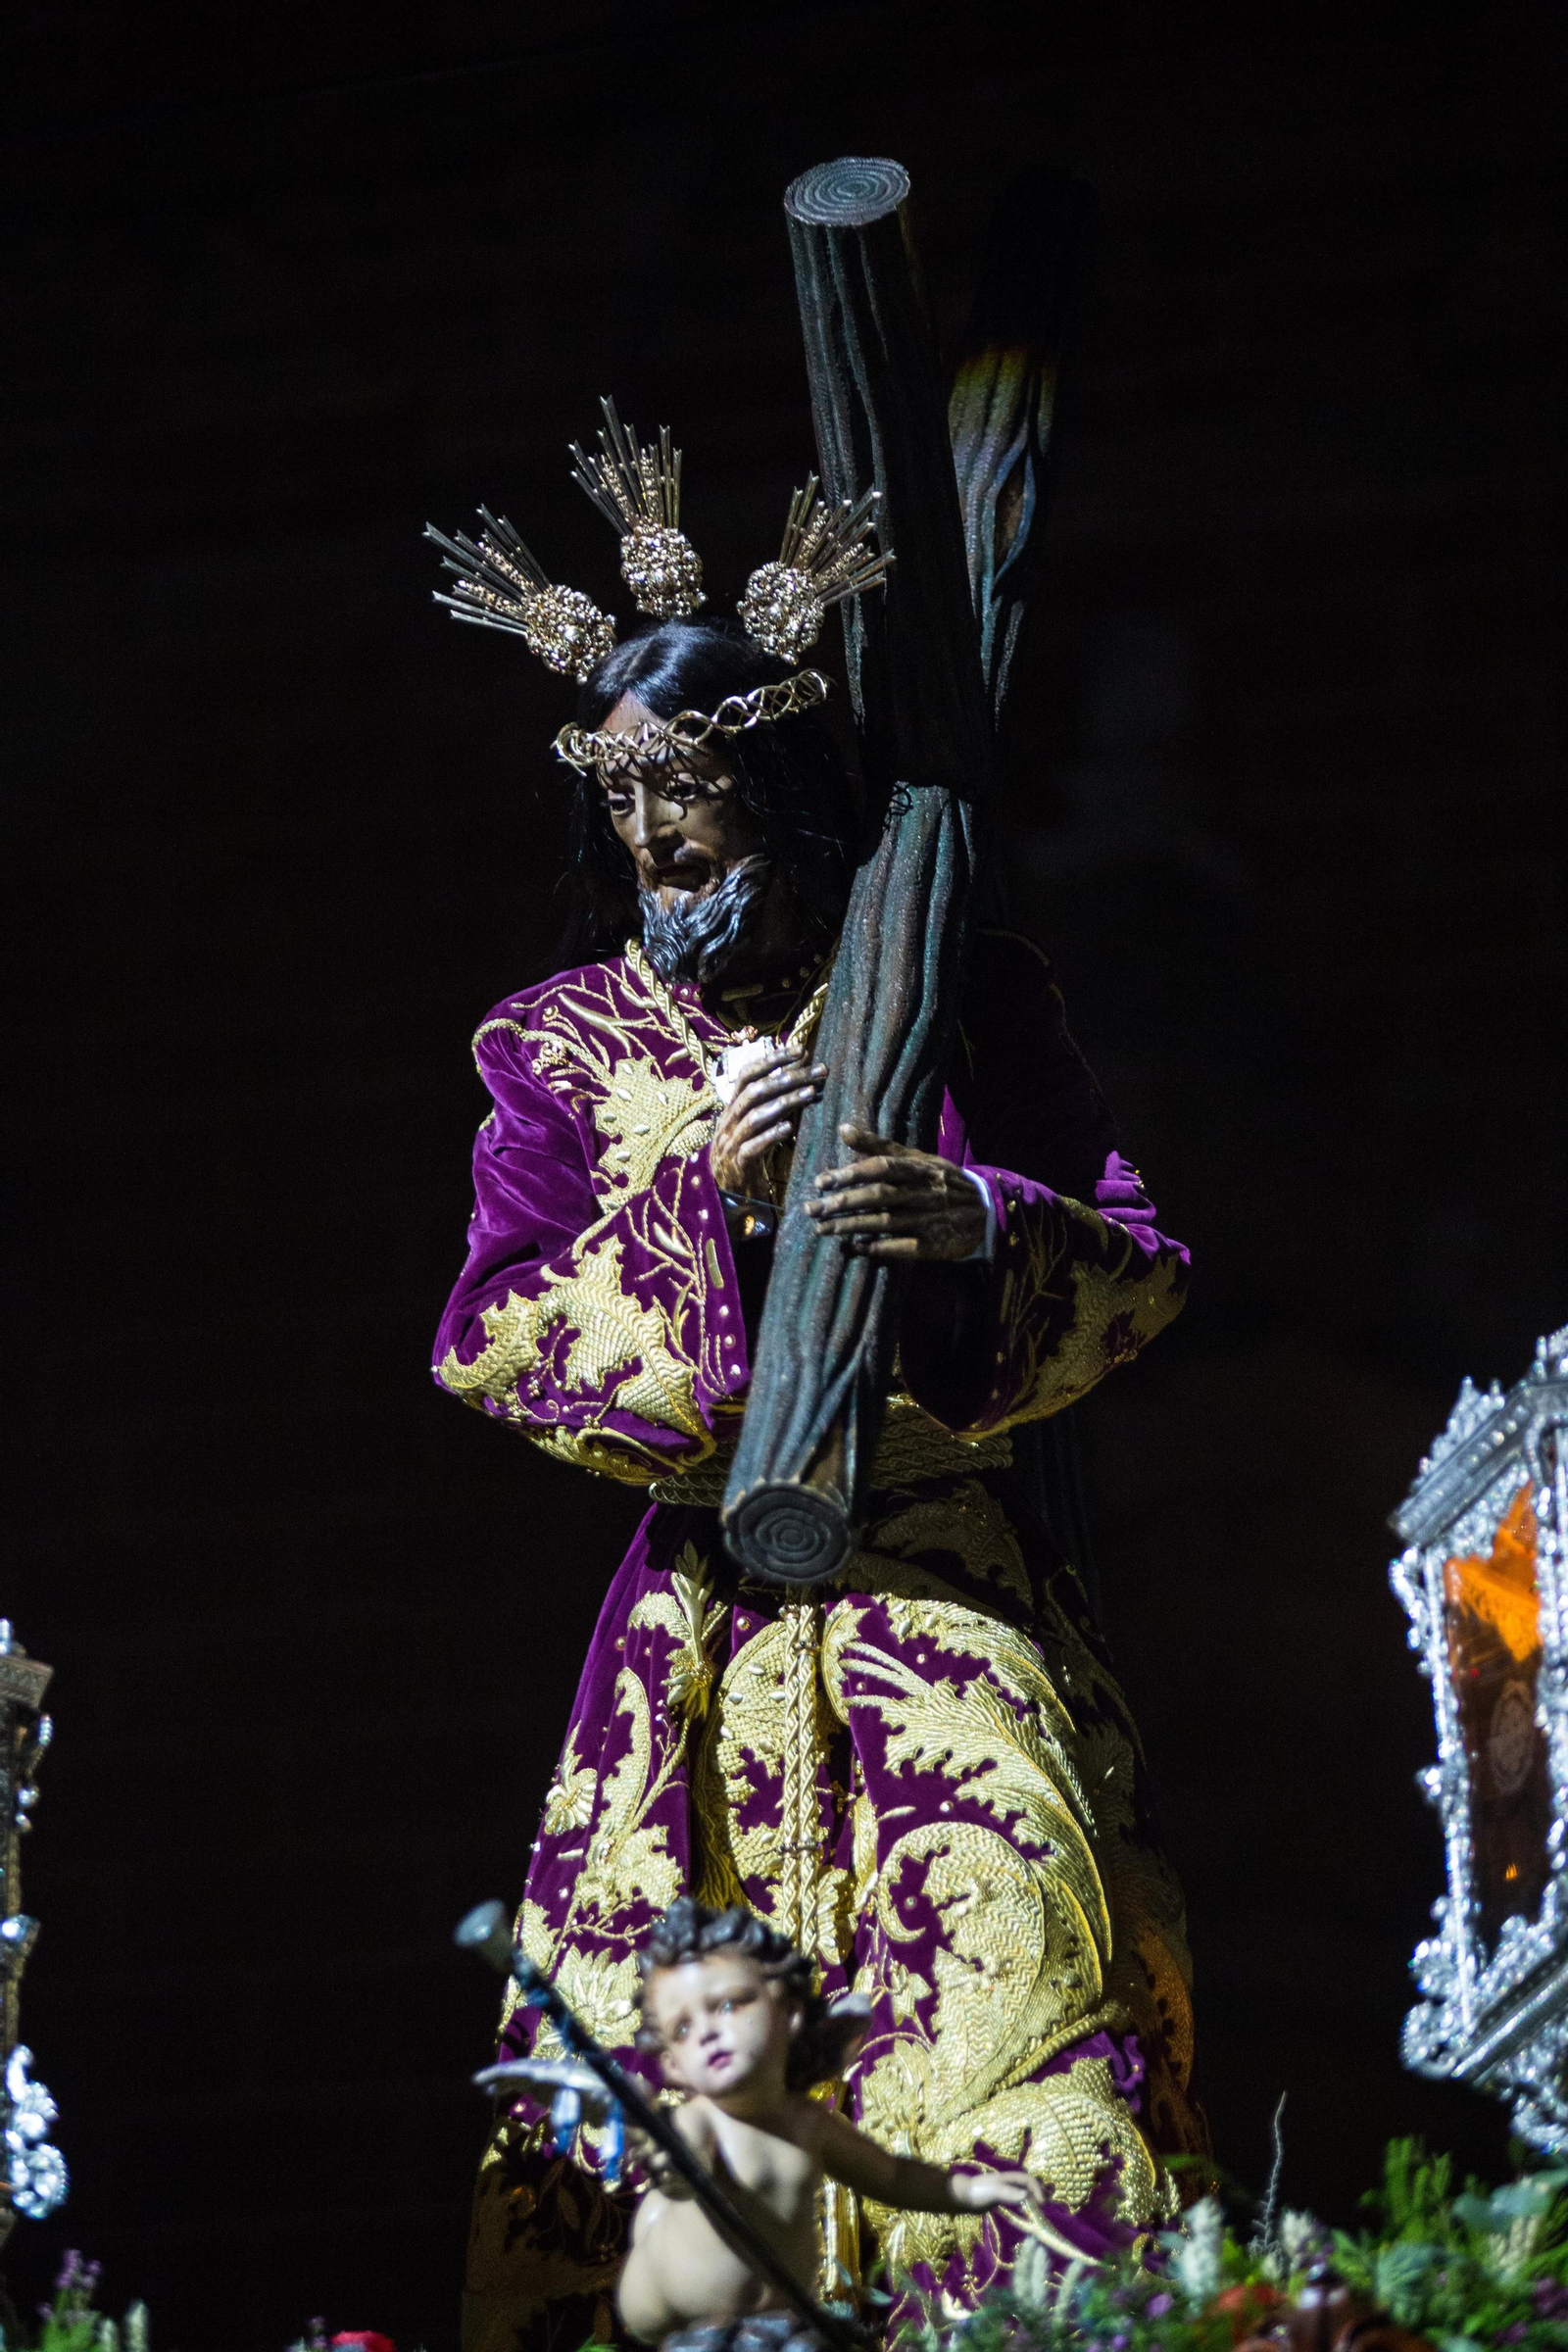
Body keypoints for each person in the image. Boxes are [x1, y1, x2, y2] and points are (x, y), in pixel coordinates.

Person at [428, 410, 1205, 2352]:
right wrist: (706, 1198)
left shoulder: (945, 981)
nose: (649, 841)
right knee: (654, 2110)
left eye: (684, 795)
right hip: (692, 1635)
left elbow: (1134, 1259)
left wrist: (964, 1221)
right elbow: (497, 1334)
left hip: (942, 1587)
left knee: (1010, 1988)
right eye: (621, 804)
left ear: (772, 781)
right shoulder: (559, 1045)